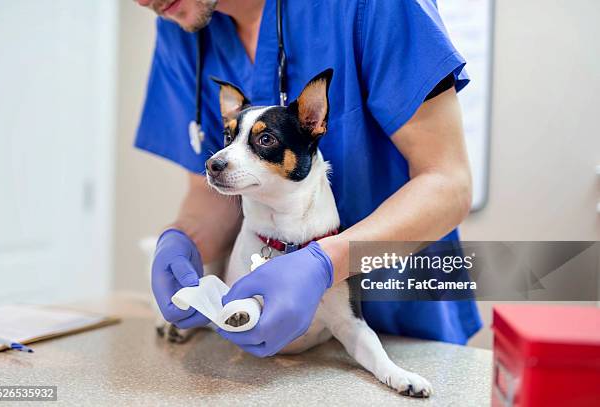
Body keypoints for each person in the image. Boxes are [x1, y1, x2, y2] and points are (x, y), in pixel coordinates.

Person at [136, 0, 482, 357]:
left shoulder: (377, 6)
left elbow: (448, 183)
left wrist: (324, 263)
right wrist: (182, 242)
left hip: (406, 320)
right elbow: (213, 193)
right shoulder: (181, 25)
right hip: (271, 345)